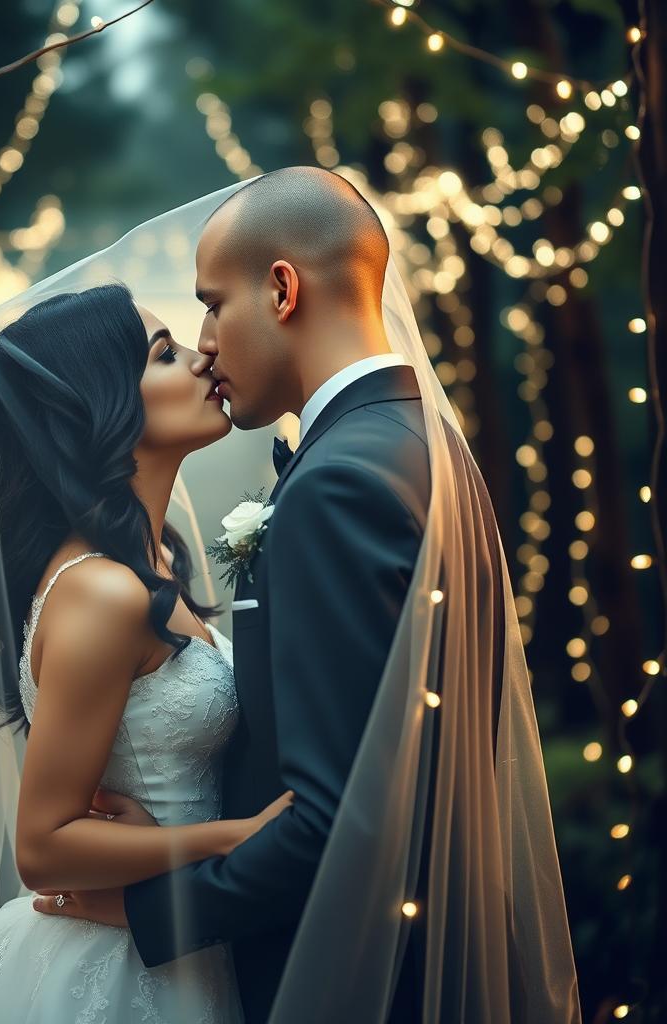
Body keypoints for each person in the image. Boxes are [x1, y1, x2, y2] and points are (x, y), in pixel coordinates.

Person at [35, 168, 583, 1024]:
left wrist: (155, 906)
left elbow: (337, 820)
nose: (207, 341)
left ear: (282, 289)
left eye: (213, 305)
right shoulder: (423, 442)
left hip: (347, 975)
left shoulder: (337, 486)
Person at [0, 282, 290, 1023]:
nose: (203, 357)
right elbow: (45, 846)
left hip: (182, 936)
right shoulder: (103, 591)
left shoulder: (155, 562)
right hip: (119, 968)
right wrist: (237, 837)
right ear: (100, 408)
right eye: (165, 354)